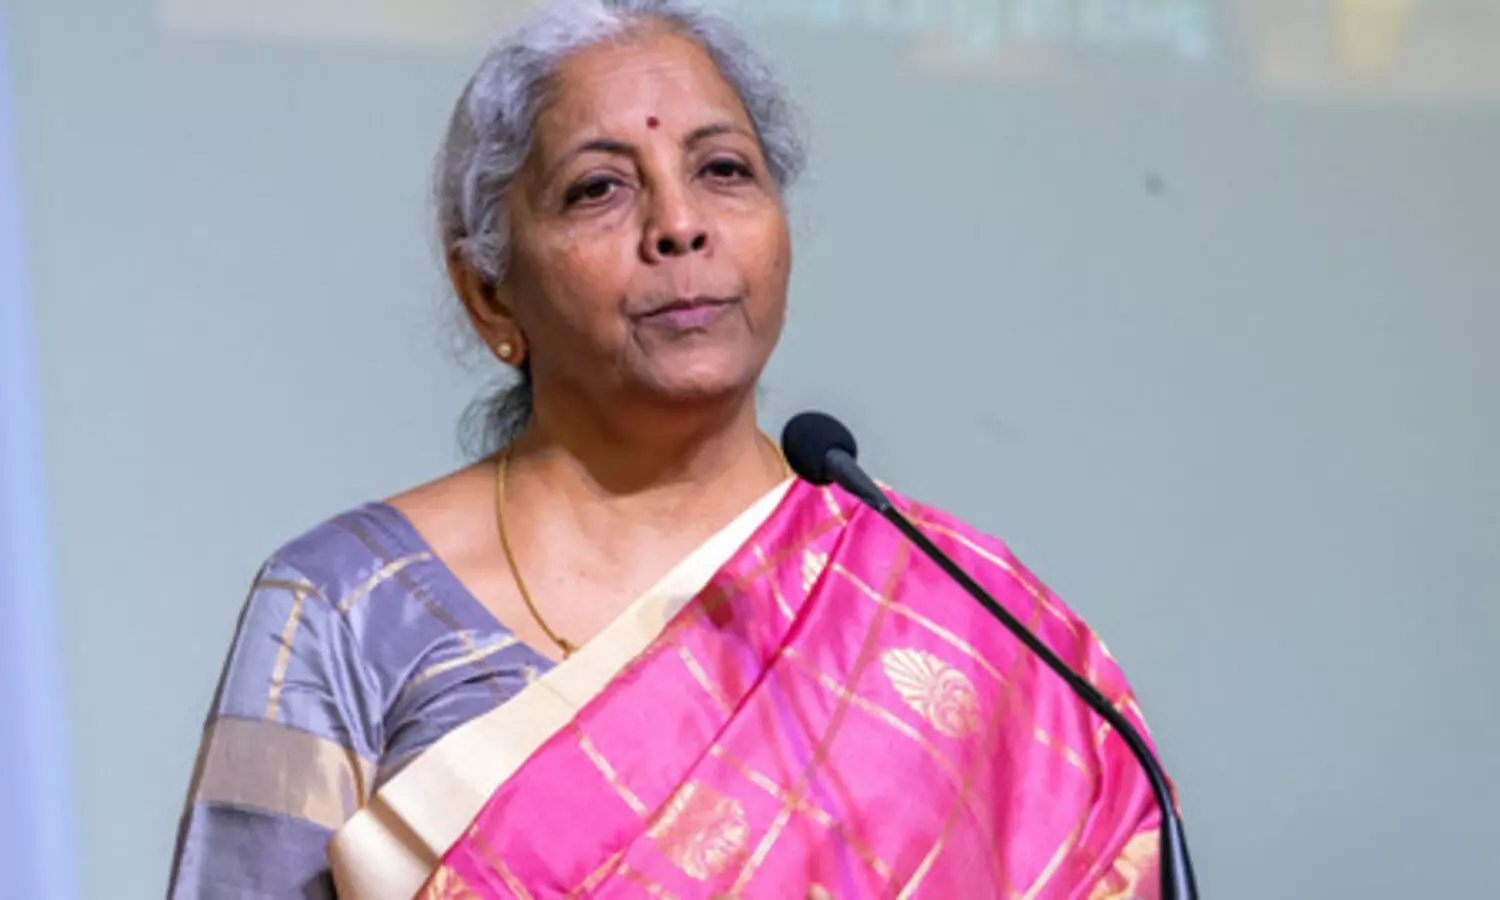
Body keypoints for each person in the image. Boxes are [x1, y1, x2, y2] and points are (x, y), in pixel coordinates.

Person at [168, 1, 1168, 897]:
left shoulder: (962, 613)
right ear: (488, 293)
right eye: (599, 189)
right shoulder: (348, 608)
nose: (680, 225)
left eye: (723, 171)